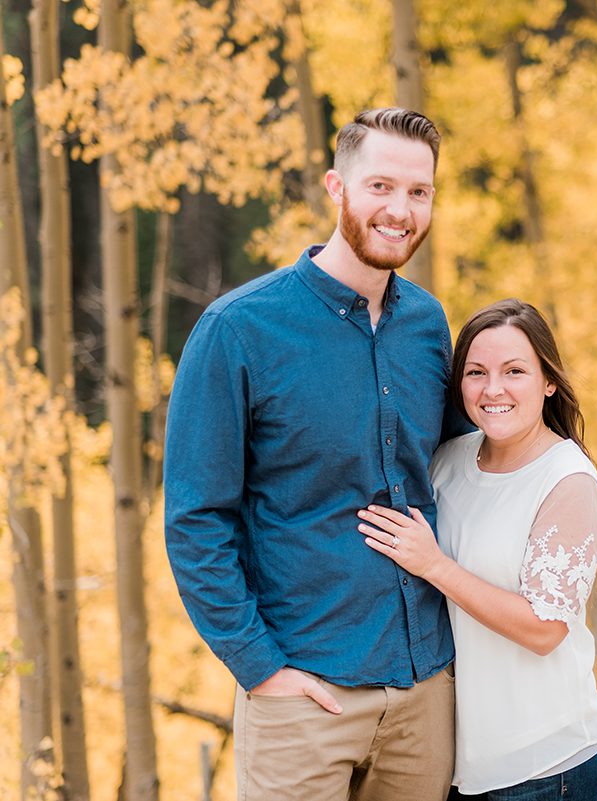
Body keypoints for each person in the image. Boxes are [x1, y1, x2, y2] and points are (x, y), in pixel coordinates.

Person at [164, 108, 468, 800]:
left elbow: (460, 468)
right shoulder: (238, 331)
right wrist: (260, 666)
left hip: (425, 692)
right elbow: (195, 518)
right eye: (381, 186)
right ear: (337, 187)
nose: (400, 210)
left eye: (418, 192)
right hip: (302, 694)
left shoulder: (427, 324)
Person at [357, 299, 597, 801]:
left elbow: (544, 630)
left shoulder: (568, 481)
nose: (492, 389)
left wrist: (434, 566)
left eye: (514, 371)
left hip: (550, 766)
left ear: (548, 381)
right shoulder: (448, 460)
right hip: (462, 765)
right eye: (476, 372)